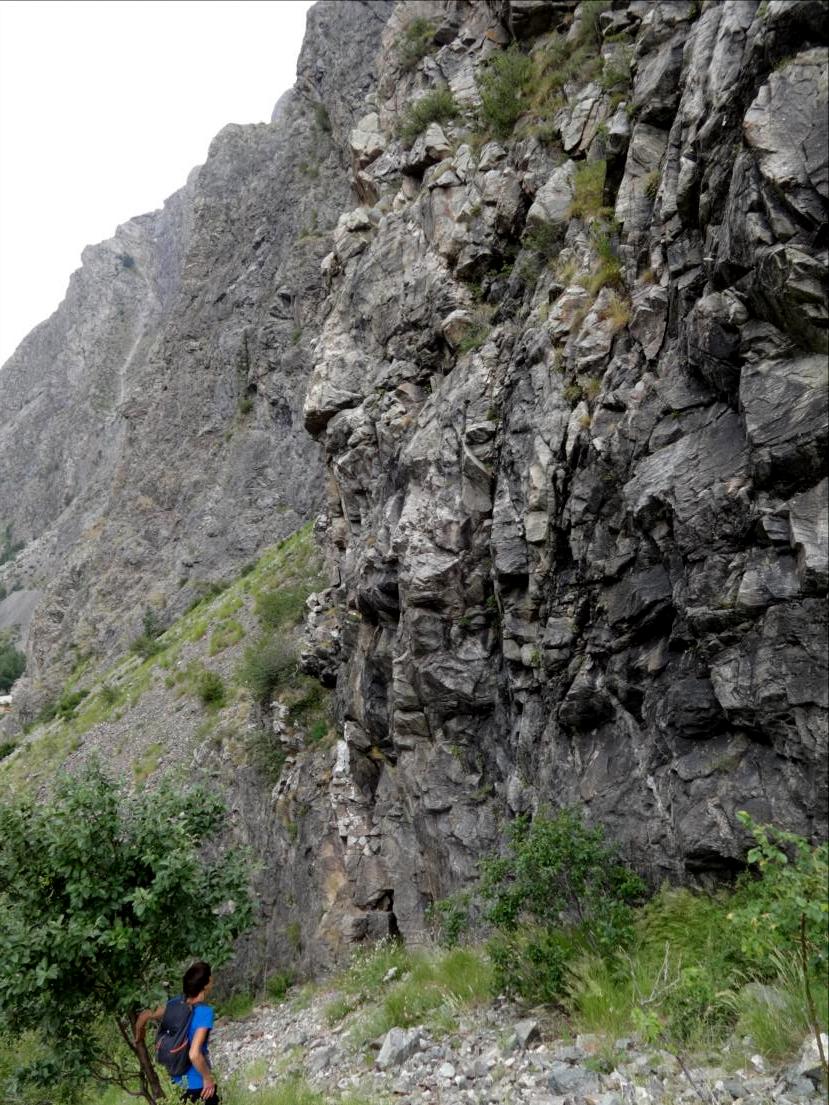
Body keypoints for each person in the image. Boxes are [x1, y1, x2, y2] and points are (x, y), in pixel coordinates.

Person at [135, 960, 218, 1102]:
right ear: (207, 983)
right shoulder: (205, 1012)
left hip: (178, 1081)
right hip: (199, 1086)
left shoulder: (174, 1003)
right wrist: (207, 1078)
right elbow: (194, 1054)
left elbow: (144, 1015)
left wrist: (139, 1036)